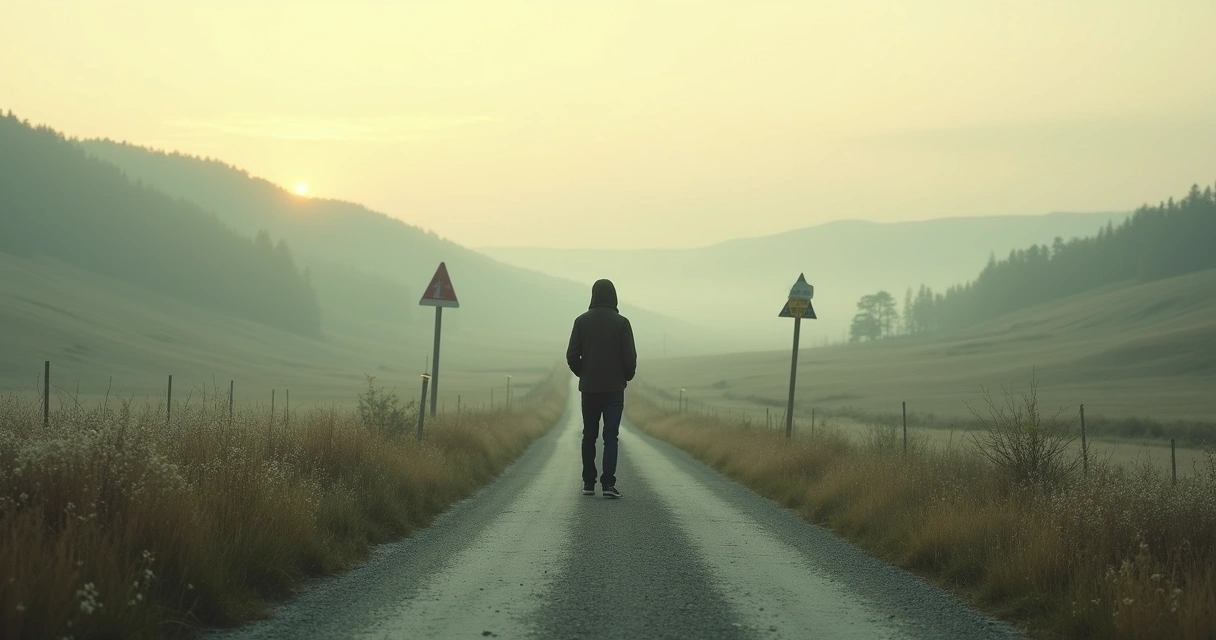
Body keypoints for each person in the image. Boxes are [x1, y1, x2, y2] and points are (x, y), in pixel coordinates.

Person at [566, 279, 637, 499]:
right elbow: (630, 358)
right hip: (614, 389)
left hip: (589, 389)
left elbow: (571, 355)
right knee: (611, 436)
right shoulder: (622, 323)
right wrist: (625, 377)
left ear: (593, 295)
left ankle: (588, 483)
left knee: (589, 435)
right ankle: (608, 485)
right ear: (614, 296)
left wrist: (583, 373)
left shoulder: (581, 321)